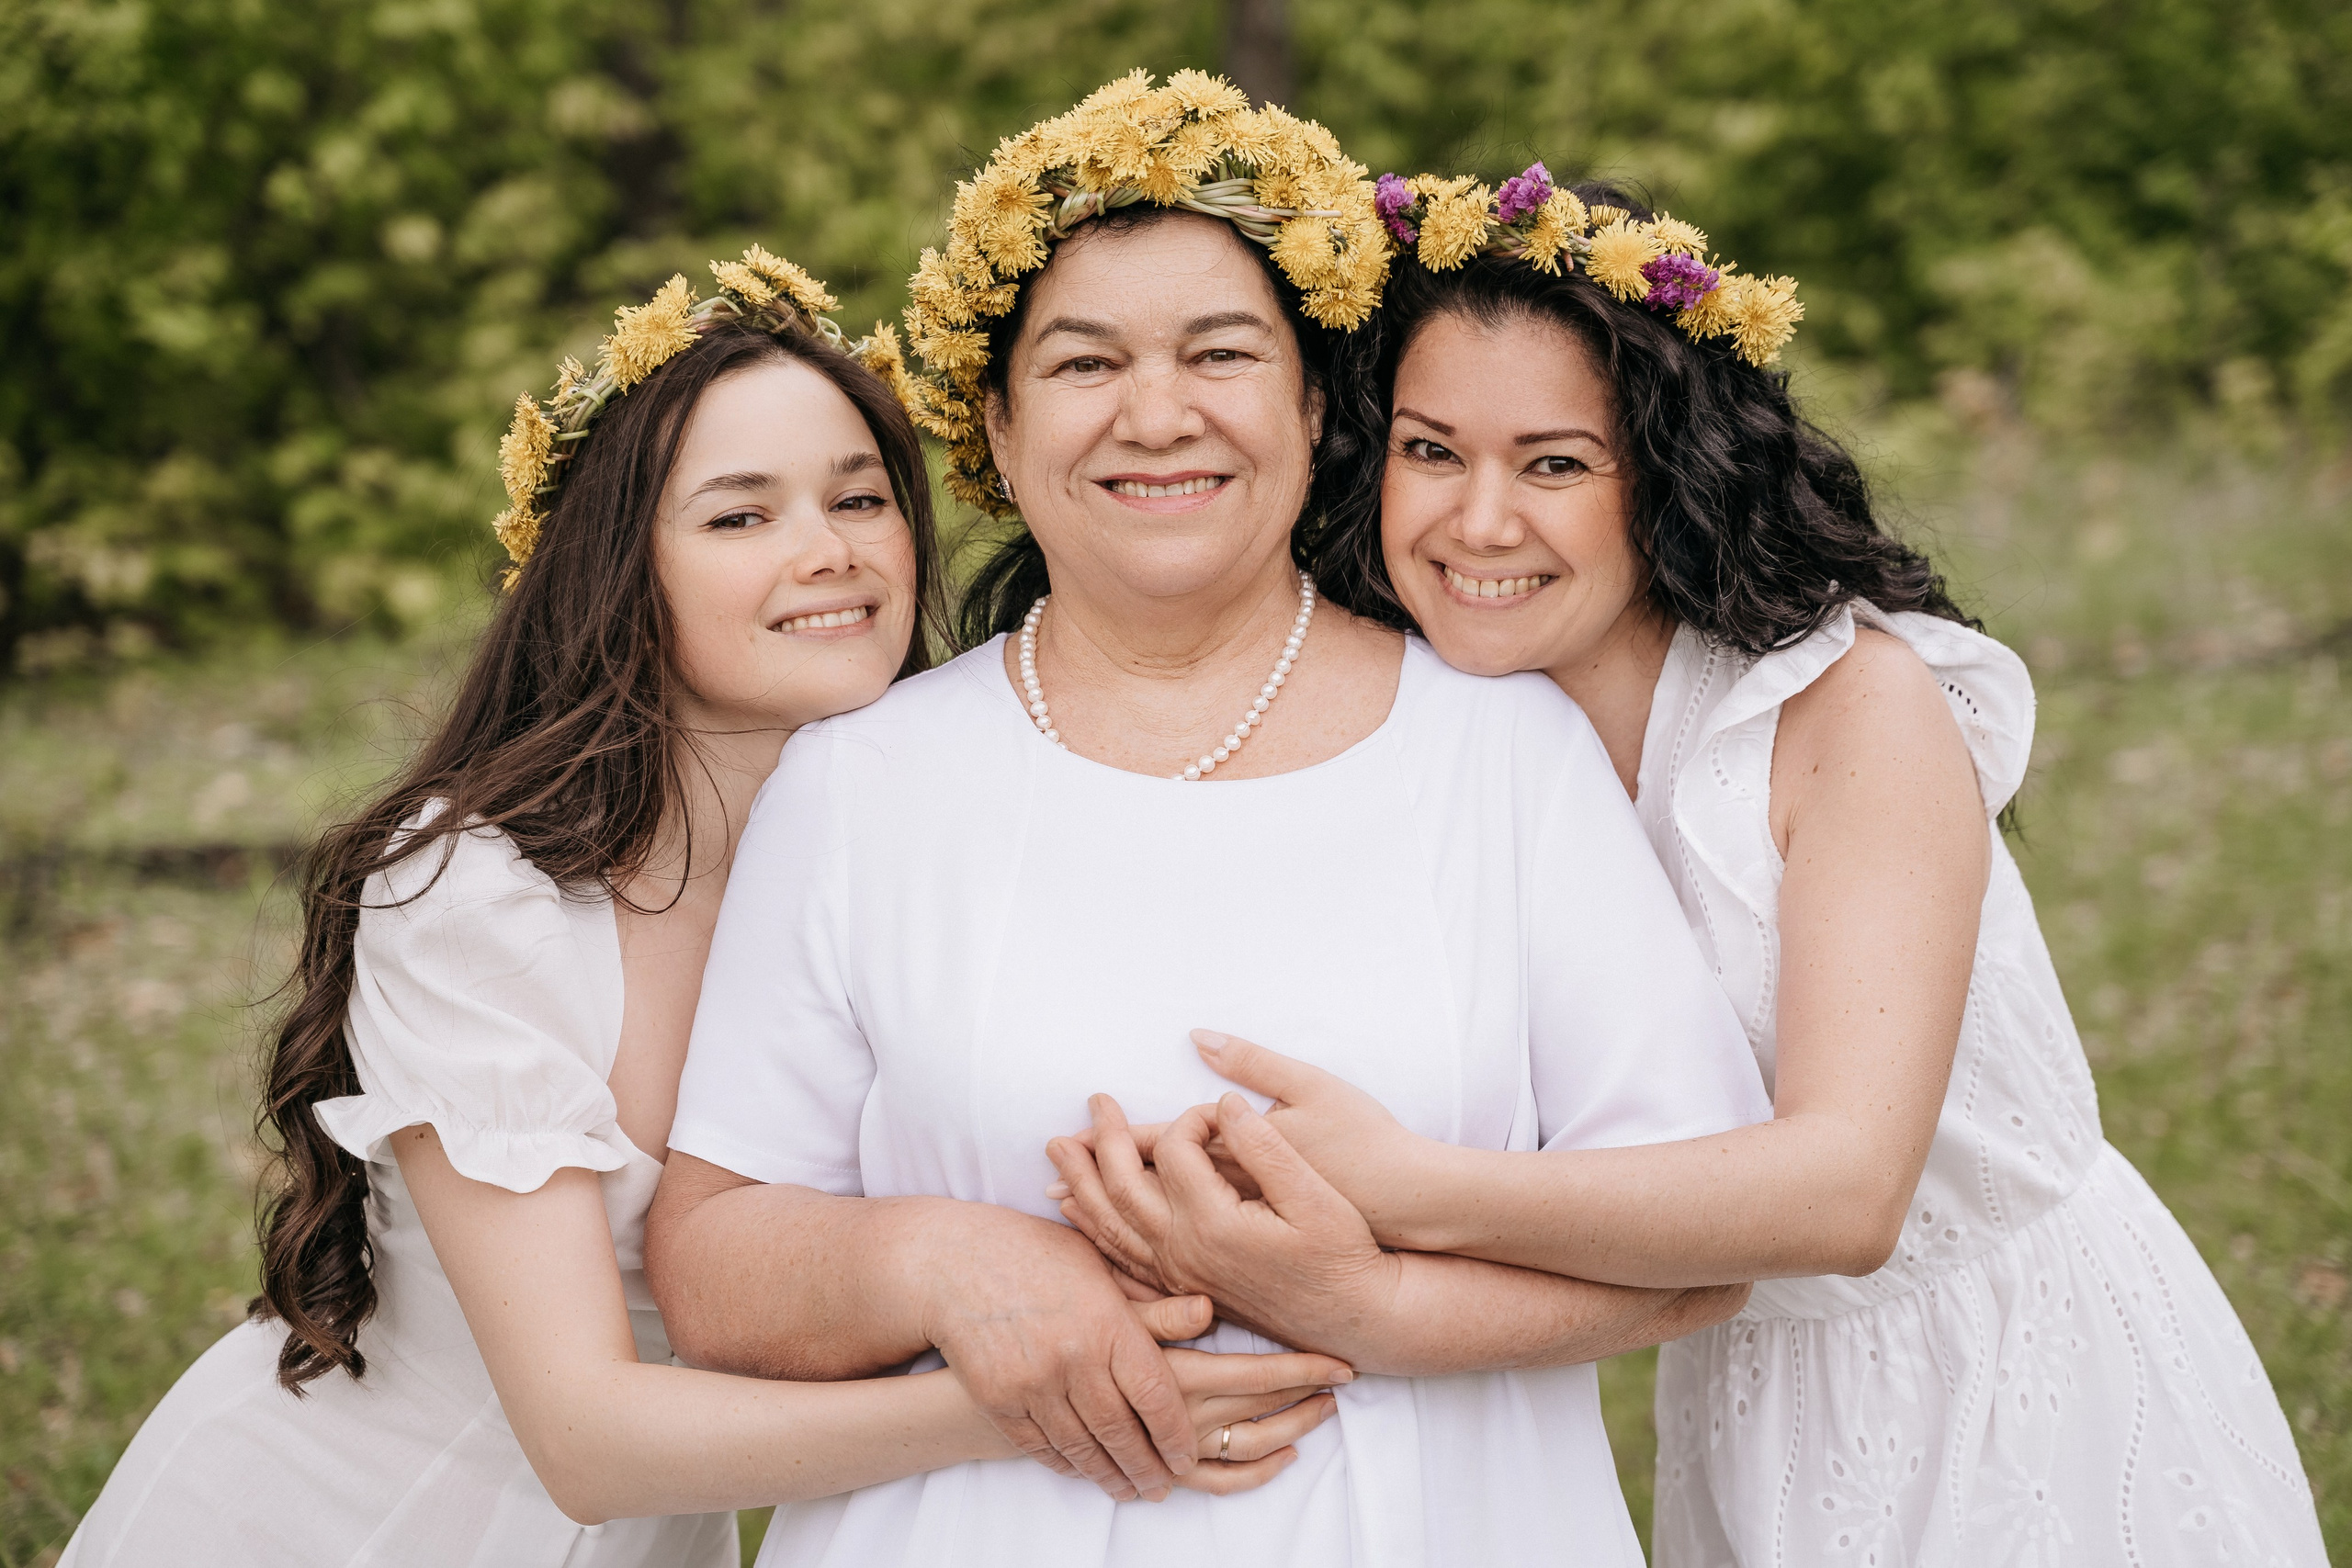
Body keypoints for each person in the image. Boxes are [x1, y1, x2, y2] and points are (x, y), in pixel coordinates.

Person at [1056, 169, 2329, 1565]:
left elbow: (1847, 1195)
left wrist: (1413, 1191)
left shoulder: (1848, 713)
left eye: (1555, 464)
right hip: (1748, 1392)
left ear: (1664, 475)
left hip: (2007, 1378)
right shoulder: (1437, 733)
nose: (1478, 524)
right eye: (1432, 452)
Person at [62, 251, 1345, 1568]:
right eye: (741, 517)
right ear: (623, 566)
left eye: (860, 498)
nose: (829, 552)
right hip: (364, 1530)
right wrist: (1036, 1397)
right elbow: (588, 1439)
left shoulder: (924, 845)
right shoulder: (478, 894)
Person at [645, 74, 1770, 1568]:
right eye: (1085, 361)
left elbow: (1701, 1251)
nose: (1155, 413)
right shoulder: (865, 779)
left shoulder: (1504, 748)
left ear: (1312, 403)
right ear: (996, 419)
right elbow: (714, 1264)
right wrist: (946, 1261)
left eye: (1221, 353)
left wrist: (1369, 1307)